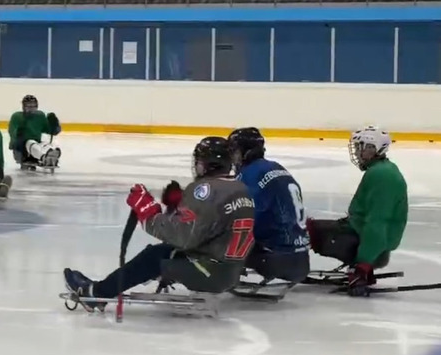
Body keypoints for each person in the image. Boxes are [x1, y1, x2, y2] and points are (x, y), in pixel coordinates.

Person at [63, 136, 255, 312]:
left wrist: (149, 214)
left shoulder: (204, 190)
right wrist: (177, 208)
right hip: (230, 271)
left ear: (206, 164)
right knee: (162, 252)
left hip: (211, 273)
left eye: (199, 162)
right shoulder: (240, 187)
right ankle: (101, 291)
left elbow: (183, 237)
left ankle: (95, 294)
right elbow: (209, 227)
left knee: (154, 257)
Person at [307, 126, 408, 297]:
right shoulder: (383, 170)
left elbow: (378, 223)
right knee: (312, 227)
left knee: (307, 230)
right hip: (372, 243)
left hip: (370, 246)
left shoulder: (381, 176)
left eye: (360, 147)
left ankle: (283, 265)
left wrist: (363, 265)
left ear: (372, 148)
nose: (357, 152)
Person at [228, 127, 310, 284]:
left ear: (245, 152)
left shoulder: (249, 175)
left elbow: (245, 219)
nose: (233, 157)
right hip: (301, 259)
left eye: (235, 151)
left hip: (274, 260)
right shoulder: (278, 168)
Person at [8, 95, 61, 169]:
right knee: (30, 143)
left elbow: (48, 130)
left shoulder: (40, 116)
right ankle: (44, 157)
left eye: (33, 106)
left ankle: (50, 154)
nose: (31, 109)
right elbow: (12, 132)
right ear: (23, 107)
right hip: (21, 148)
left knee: (44, 145)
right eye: (28, 106)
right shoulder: (17, 116)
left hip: (36, 144)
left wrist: (54, 126)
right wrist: (16, 139)